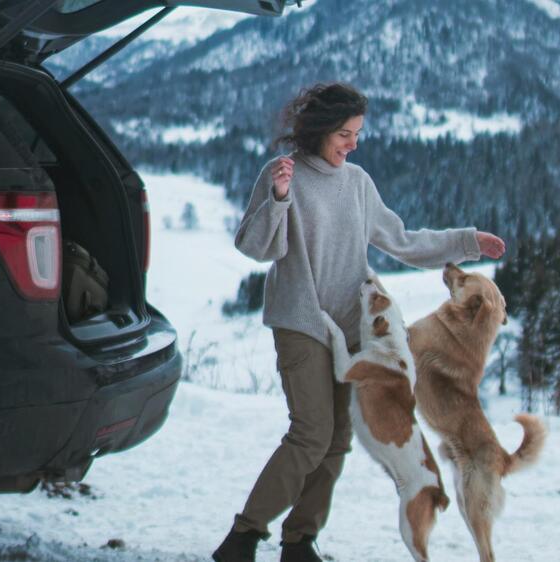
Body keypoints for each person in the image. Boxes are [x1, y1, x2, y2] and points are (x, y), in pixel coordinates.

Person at [212, 83, 506, 562]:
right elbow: (255, 246)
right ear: (321, 130)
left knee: (337, 442)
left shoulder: (358, 183)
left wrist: (467, 242)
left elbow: (404, 242)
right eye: (345, 134)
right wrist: (280, 198)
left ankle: (300, 542)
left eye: (357, 134)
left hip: (354, 331)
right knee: (311, 433)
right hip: (301, 320)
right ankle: (243, 537)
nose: (353, 144)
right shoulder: (283, 173)